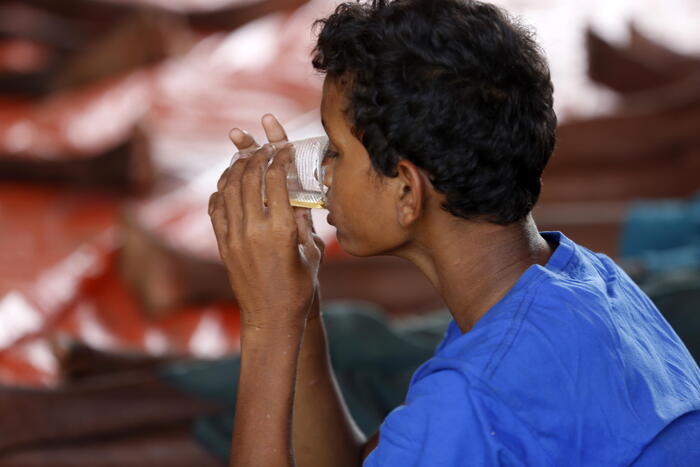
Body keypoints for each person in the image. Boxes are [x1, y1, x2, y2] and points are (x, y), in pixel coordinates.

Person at [207, 0, 700, 465]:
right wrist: (300, 309)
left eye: (335, 150)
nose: (323, 173)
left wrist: (267, 323)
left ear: (406, 192)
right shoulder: (586, 283)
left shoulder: (476, 395)